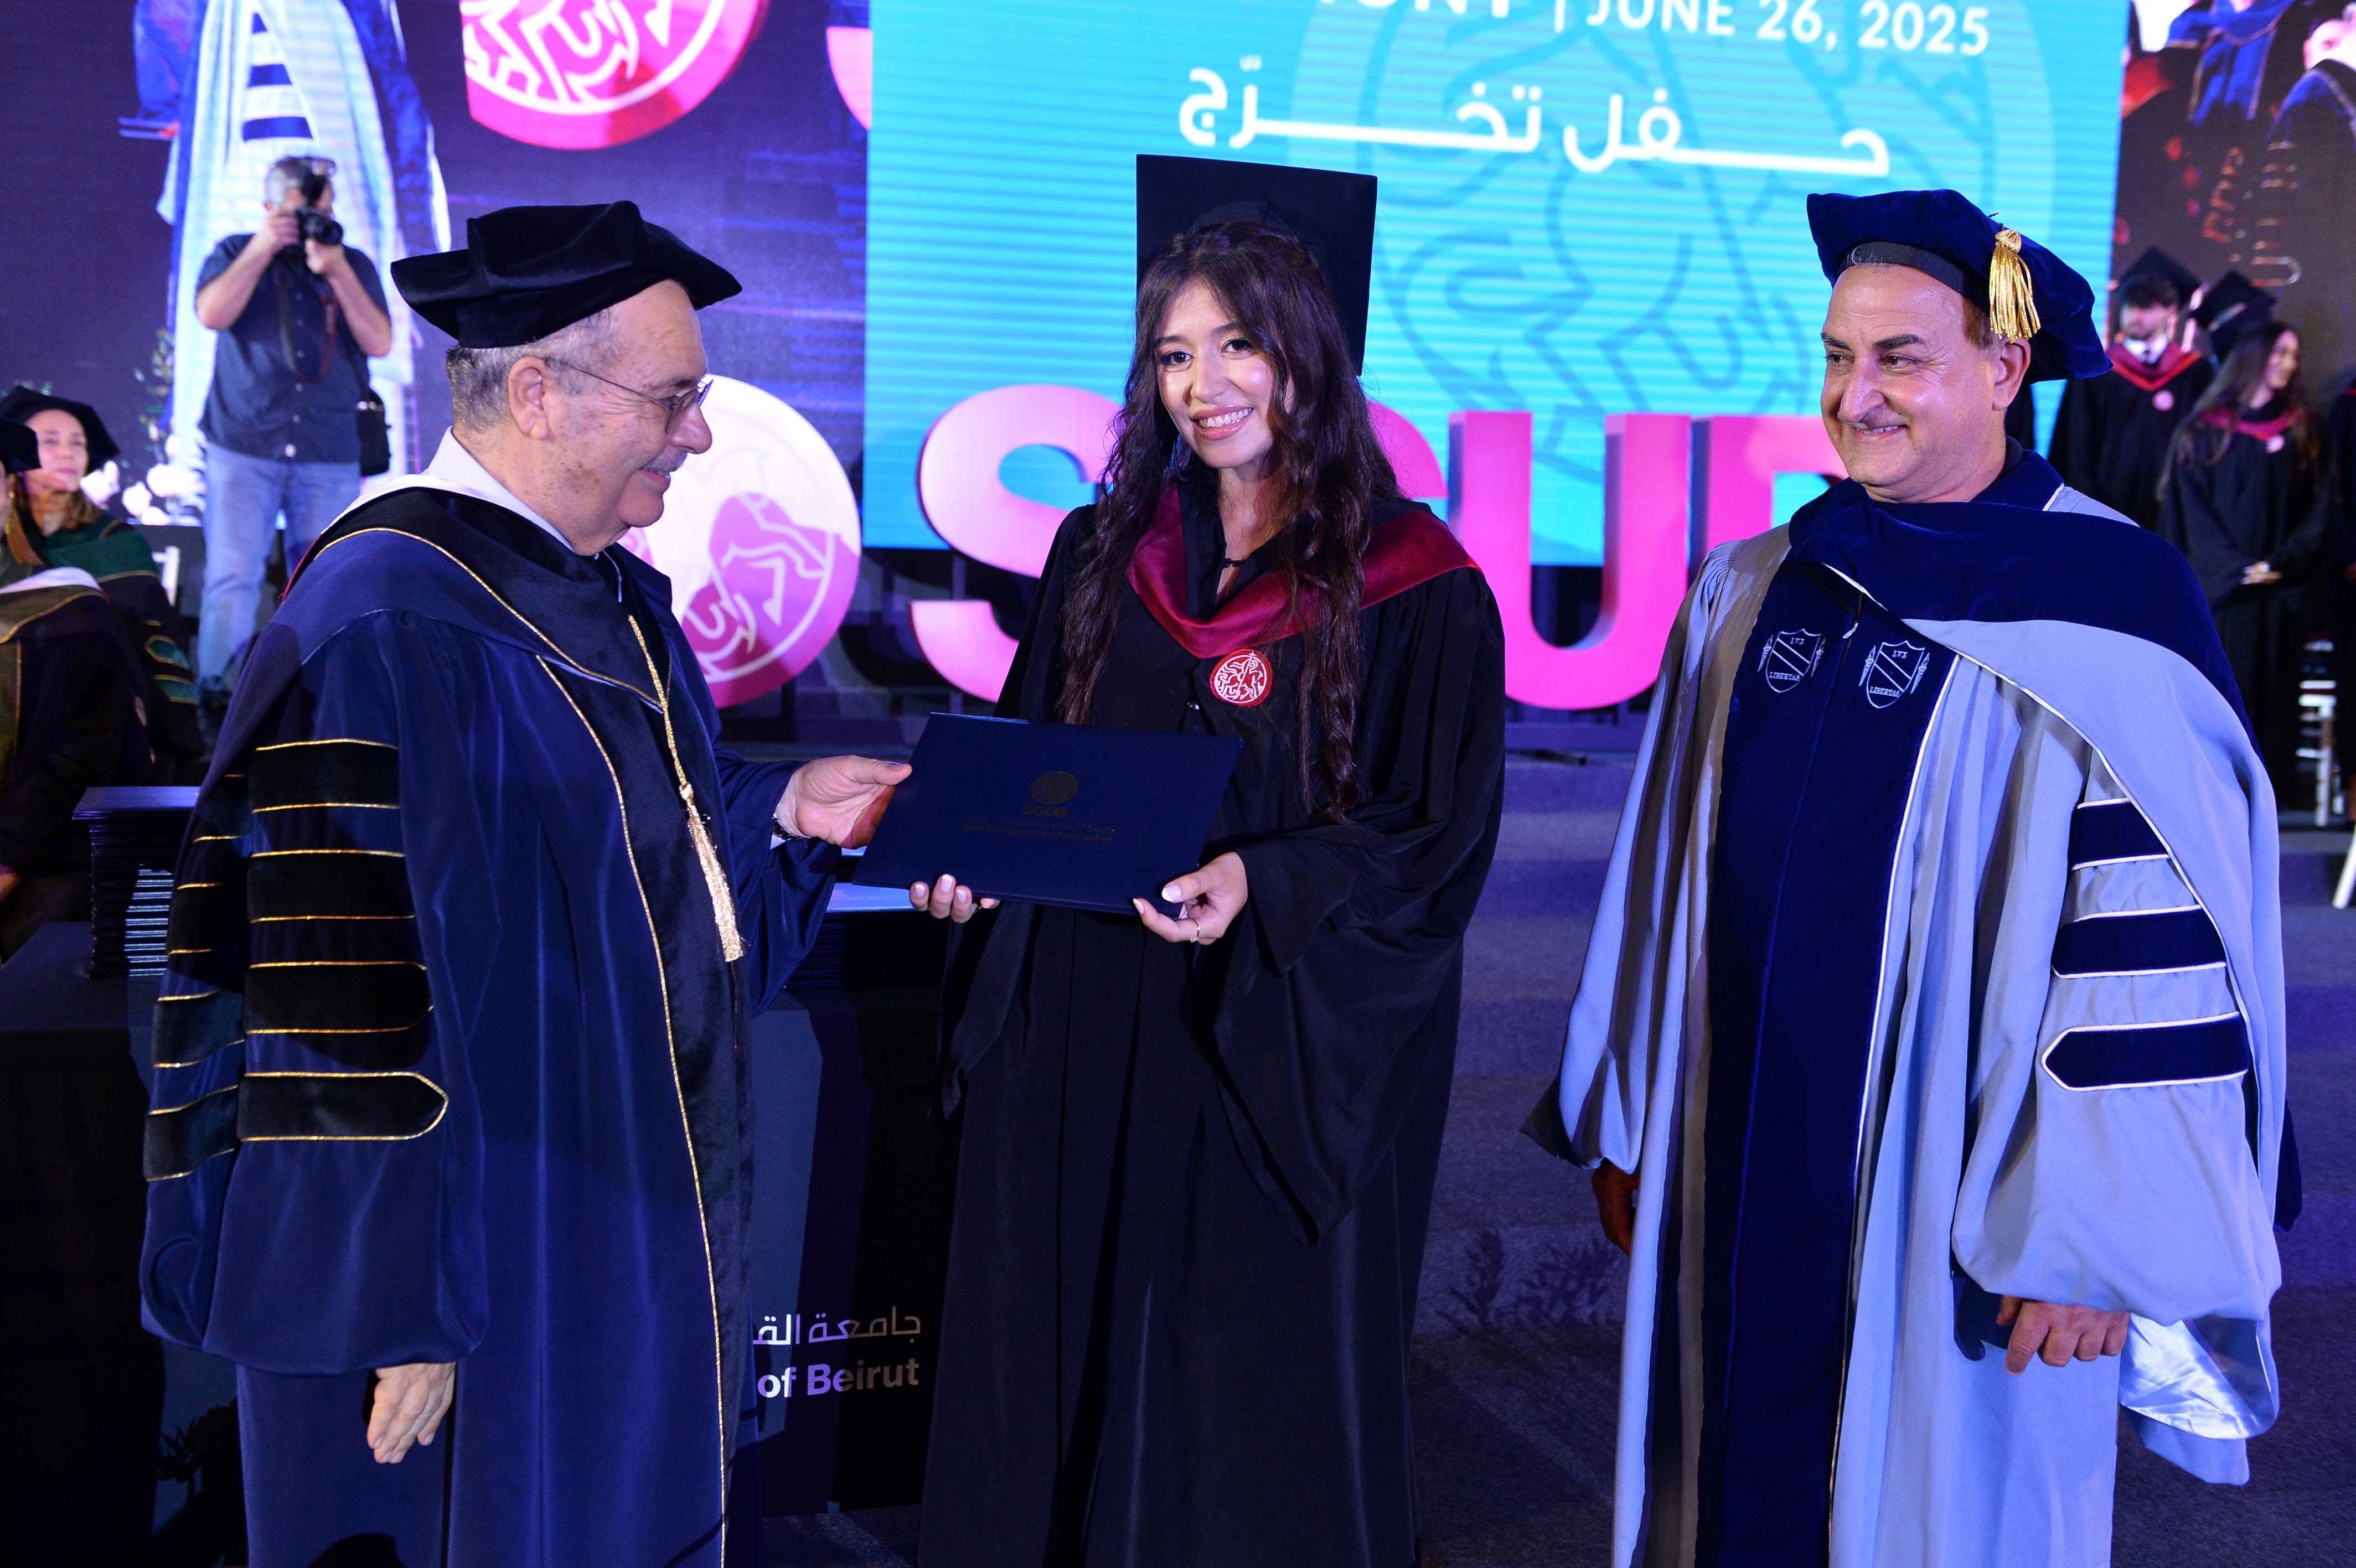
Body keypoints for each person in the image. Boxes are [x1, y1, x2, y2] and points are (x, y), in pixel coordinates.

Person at [140, 201, 908, 1566]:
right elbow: (325, 991)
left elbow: (625, 869)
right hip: (472, 1269)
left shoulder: (608, 600)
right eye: (674, 398)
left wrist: (788, 813)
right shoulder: (381, 616)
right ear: (542, 393)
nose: (698, 435)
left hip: (607, 1225)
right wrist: (396, 1301)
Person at [1530, 189, 2288, 1567]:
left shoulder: (2110, 609)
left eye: (1899, 359)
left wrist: (2096, 1237)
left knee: (1938, 1503)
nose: (1854, 396)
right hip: (1737, 1150)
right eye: (1837, 356)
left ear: (2003, 370)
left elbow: (2151, 937)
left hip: (1966, 1191)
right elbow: (1662, 876)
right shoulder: (1753, 584)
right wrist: (1634, 1108)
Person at [911, 156, 1505, 1566]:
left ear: (1310, 355)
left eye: (1238, 345)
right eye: (1175, 354)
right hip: (1077, 1011)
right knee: (1060, 1317)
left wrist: (1264, 881)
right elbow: (1029, 762)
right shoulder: (1101, 551)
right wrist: (969, 862)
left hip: (1256, 1032)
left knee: (1215, 1354)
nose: (1203, 384)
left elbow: (1436, 839)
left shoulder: (1417, 583)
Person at [189, 153, 391, 706]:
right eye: (300, 213)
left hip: (328, 448)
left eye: (323, 213)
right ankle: (216, 703)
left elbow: (379, 342)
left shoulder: (350, 263)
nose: (312, 224)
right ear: (268, 207)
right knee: (232, 575)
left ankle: (318, 700)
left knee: (325, 578)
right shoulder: (236, 250)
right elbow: (211, 313)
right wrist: (262, 247)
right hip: (244, 442)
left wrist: (337, 270)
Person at [2157, 318, 2327, 798]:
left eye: (2293, 356)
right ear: (2254, 356)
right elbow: (2189, 509)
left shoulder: (2303, 430)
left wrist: (2282, 562)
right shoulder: (2203, 432)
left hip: (2278, 592)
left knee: (2273, 698)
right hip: (2223, 597)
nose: (2288, 365)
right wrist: (2234, 567)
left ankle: (2269, 802)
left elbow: (2319, 508)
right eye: (2279, 353)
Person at [0, 385, 205, 779]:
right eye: (50, 441)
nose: (68, 453)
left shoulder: (118, 543)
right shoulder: (6, 546)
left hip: (101, 723)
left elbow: (158, 643)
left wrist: (167, 740)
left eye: (78, 443)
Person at [0, 420, 151, 954]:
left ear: (7, 493)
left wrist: (8, 856)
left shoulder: (67, 610)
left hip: (35, 876)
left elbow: (86, 755)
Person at [2049, 247, 2215, 528]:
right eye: (2130, 305)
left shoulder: (2195, 374)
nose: (2136, 315)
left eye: (2147, 307)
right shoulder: (2096, 370)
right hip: (2104, 506)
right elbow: (2075, 446)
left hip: (2172, 509)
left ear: (2171, 310)